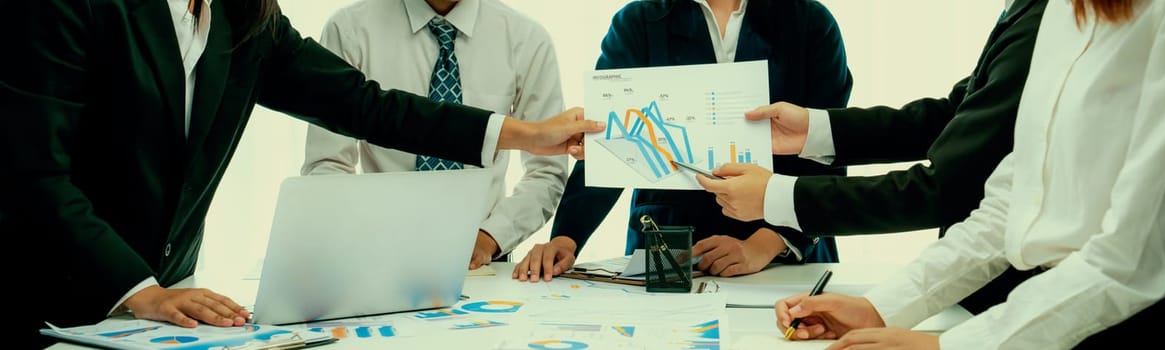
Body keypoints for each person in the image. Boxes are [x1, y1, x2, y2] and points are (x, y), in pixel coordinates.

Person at [0, 0, 603, 346]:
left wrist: (523, 134)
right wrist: (143, 291)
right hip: (55, 304)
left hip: (163, 321)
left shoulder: (246, 13)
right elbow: (32, 176)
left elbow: (365, 103)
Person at [766, 0, 1165, 348]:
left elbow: (1137, 259)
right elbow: (1008, 205)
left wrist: (952, 346)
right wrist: (879, 308)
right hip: (1040, 318)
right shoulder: (1060, 11)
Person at [695, 0, 1048, 314]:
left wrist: (776, 199)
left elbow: (947, 188)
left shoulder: (1045, 23)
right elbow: (954, 116)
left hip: (1013, 297)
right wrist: (816, 129)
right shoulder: (1024, 12)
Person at [513, 0, 853, 282]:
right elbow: (611, 141)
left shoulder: (810, 21)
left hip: (785, 246)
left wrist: (763, 245)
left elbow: (826, 149)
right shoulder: (640, 21)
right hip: (670, 242)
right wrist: (566, 237)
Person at [302, 0, 567, 270]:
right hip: (378, 256)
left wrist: (490, 238)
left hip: (484, 264)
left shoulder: (526, 38)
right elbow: (328, 163)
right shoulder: (350, 29)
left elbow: (546, 171)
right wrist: (361, 235)